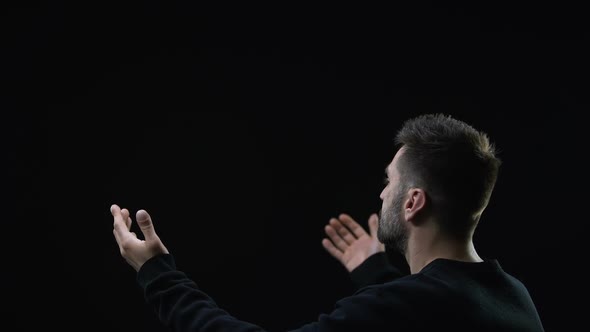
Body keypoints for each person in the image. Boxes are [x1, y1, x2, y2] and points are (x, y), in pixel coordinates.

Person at [110, 113, 545, 331]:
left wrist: (157, 273)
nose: (381, 193)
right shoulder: (515, 298)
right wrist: (376, 273)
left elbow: (410, 309)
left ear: (413, 202)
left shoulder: (410, 305)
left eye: (389, 181)